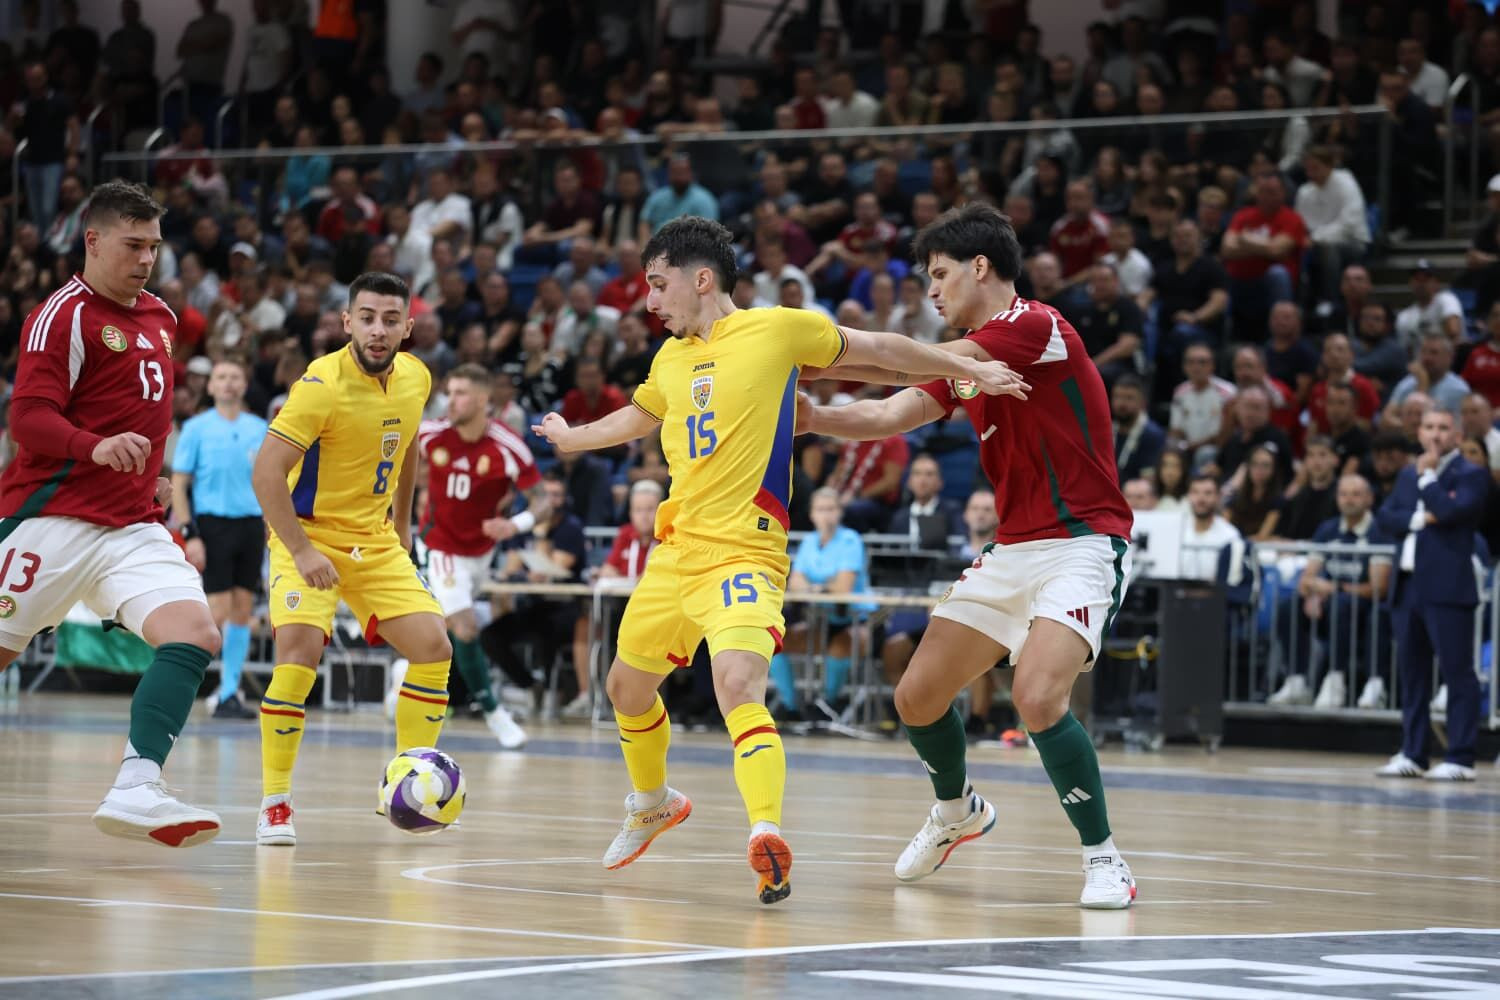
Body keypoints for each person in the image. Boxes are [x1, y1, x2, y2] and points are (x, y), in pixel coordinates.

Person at [530, 215, 1025, 905]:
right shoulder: (669, 359)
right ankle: (653, 803)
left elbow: (879, 348)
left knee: (738, 684)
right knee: (624, 691)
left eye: (658, 284)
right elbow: (639, 418)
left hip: (745, 550)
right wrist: (571, 436)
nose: (649, 301)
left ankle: (766, 832)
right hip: (676, 552)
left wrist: (963, 360)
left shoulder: (778, 329)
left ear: (701, 278)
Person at [798, 203, 1138, 908]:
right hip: (1012, 548)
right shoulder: (964, 364)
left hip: (1081, 544)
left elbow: (897, 355)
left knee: (1037, 697)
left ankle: (1104, 859)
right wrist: (813, 416)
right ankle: (958, 813)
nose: (932, 289)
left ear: (982, 267)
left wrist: (804, 344)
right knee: (915, 696)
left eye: (940, 274)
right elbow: (890, 414)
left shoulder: (1033, 327)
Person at [0, 180, 223, 847]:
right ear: (92, 240)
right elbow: (27, 419)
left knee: (194, 633)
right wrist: (92, 445)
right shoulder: (62, 315)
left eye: (154, 246)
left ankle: (136, 785)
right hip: (54, 517)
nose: (146, 259)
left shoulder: (160, 316)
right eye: (133, 244)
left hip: (130, 525)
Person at [250, 271, 453, 846]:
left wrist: (406, 524)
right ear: (346, 322)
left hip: (375, 541)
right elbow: (266, 474)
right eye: (367, 317)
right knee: (299, 653)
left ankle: (408, 780)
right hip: (306, 536)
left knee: (434, 647)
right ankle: (275, 804)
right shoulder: (321, 385)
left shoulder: (416, 377)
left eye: (391, 320)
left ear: (408, 327)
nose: (378, 330)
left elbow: (410, 445)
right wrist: (301, 549)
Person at [414, 364, 542, 749]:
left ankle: (404, 676)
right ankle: (493, 712)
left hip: (481, 552)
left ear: (484, 399)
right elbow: (397, 464)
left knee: (440, 634)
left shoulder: (507, 444)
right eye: (449, 393)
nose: (451, 401)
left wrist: (515, 525)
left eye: (461, 393)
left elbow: (542, 501)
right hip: (440, 546)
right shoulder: (430, 434)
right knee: (465, 627)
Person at [1374, 409, 1488, 781]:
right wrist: (1420, 519)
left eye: (1443, 428)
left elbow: (1452, 510)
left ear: (1456, 434)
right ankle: (1414, 752)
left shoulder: (1471, 474)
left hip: (1448, 586)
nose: (1435, 435)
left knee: (1457, 672)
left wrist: (1427, 479)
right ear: (1419, 433)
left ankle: (1460, 755)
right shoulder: (1406, 475)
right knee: (1413, 673)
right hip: (1408, 585)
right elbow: (1386, 518)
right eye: (1428, 427)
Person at [170, 357, 268, 721]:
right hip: (212, 524)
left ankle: (229, 693)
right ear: (209, 386)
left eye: (235, 377)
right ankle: (177, 681)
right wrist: (188, 531)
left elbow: (270, 479)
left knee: (242, 609)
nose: (228, 383)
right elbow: (180, 482)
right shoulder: (196, 428)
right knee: (216, 612)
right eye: (221, 377)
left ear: (244, 385)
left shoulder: (259, 428)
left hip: (251, 523)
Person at [767, 488, 875, 717]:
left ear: (840, 512)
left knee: (842, 645)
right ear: (812, 514)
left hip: (853, 621)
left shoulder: (850, 540)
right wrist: (824, 584)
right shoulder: (809, 542)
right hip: (818, 620)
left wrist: (815, 585)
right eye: (820, 509)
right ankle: (790, 707)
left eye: (831, 509)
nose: (826, 515)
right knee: (773, 643)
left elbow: (843, 586)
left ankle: (827, 705)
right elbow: (795, 582)